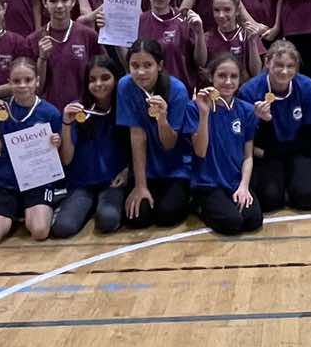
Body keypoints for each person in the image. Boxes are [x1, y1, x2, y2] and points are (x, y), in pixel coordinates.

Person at [0, 57, 67, 243]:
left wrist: (56, 143)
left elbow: (61, 156)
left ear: (37, 81)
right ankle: (15, 212)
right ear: (9, 83)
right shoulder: (1, 110)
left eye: (28, 80)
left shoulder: (50, 112)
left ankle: (46, 207)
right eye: (16, 81)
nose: (22, 85)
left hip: (39, 183)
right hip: (7, 184)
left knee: (39, 232)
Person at [119, 37, 200, 228]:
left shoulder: (177, 90)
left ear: (160, 66)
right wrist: (140, 186)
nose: (141, 72)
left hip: (176, 166)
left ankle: (192, 195)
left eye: (148, 65)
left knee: (167, 216)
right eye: (134, 65)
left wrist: (162, 119)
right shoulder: (125, 86)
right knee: (137, 219)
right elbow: (137, 135)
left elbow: (170, 144)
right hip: (147, 167)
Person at [241, 38, 311, 211]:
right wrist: (262, 121)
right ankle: (283, 183)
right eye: (279, 65)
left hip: (298, 150)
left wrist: (271, 152)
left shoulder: (309, 89)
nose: (284, 71)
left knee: (308, 197)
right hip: (267, 153)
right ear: (267, 62)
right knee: (268, 200)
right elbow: (249, 140)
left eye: (290, 66)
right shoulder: (249, 91)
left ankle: (292, 181)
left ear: (296, 67)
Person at [53, 52, 131, 238]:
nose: (98, 84)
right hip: (82, 183)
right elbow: (66, 159)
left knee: (108, 220)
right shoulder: (77, 110)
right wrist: (66, 124)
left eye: (105, 78)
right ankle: (84, 207)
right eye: (92, 79)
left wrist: (128, 171)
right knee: (63, 228)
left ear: (116, 79)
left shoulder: (125, 107)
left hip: (112, 182)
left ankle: (102, 207)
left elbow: (137, 145)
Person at [191, 53, 264, 234]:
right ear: (211, 77)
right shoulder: (195, 108)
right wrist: (204, 114)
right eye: (222, 76)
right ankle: (198, 205)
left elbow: (248, 156)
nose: (228, 82)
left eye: (234, 76)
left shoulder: (246, 110)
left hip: (235, 182)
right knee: (232, 223)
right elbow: (200, 151)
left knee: (253, 220)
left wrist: (244, 186)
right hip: (208, 184)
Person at [19, 0, 98, 113]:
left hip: (83, 111)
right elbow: (34, 89)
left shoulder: (89, 36)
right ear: (44, 3)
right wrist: (42, 59)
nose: (59, 6)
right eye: (53, 1)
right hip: (47, 114)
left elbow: (101, 75)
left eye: (64, 0)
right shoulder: (33, 40)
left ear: (73, 1)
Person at [140, 0, 202, 90]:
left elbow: (200, 62)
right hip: (147, 93)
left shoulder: (185, 20)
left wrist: (199, 33)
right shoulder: (139, 21)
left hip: (179, 93)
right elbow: (129, 63)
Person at [199, 0, 259, 81]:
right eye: (216, 10)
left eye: (227, 10)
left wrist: (252, 42)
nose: (221, 15)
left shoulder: (248, 35)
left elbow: (256, 72)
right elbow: (201, 66)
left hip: (241, 89)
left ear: (237, 11)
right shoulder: (206, 38)